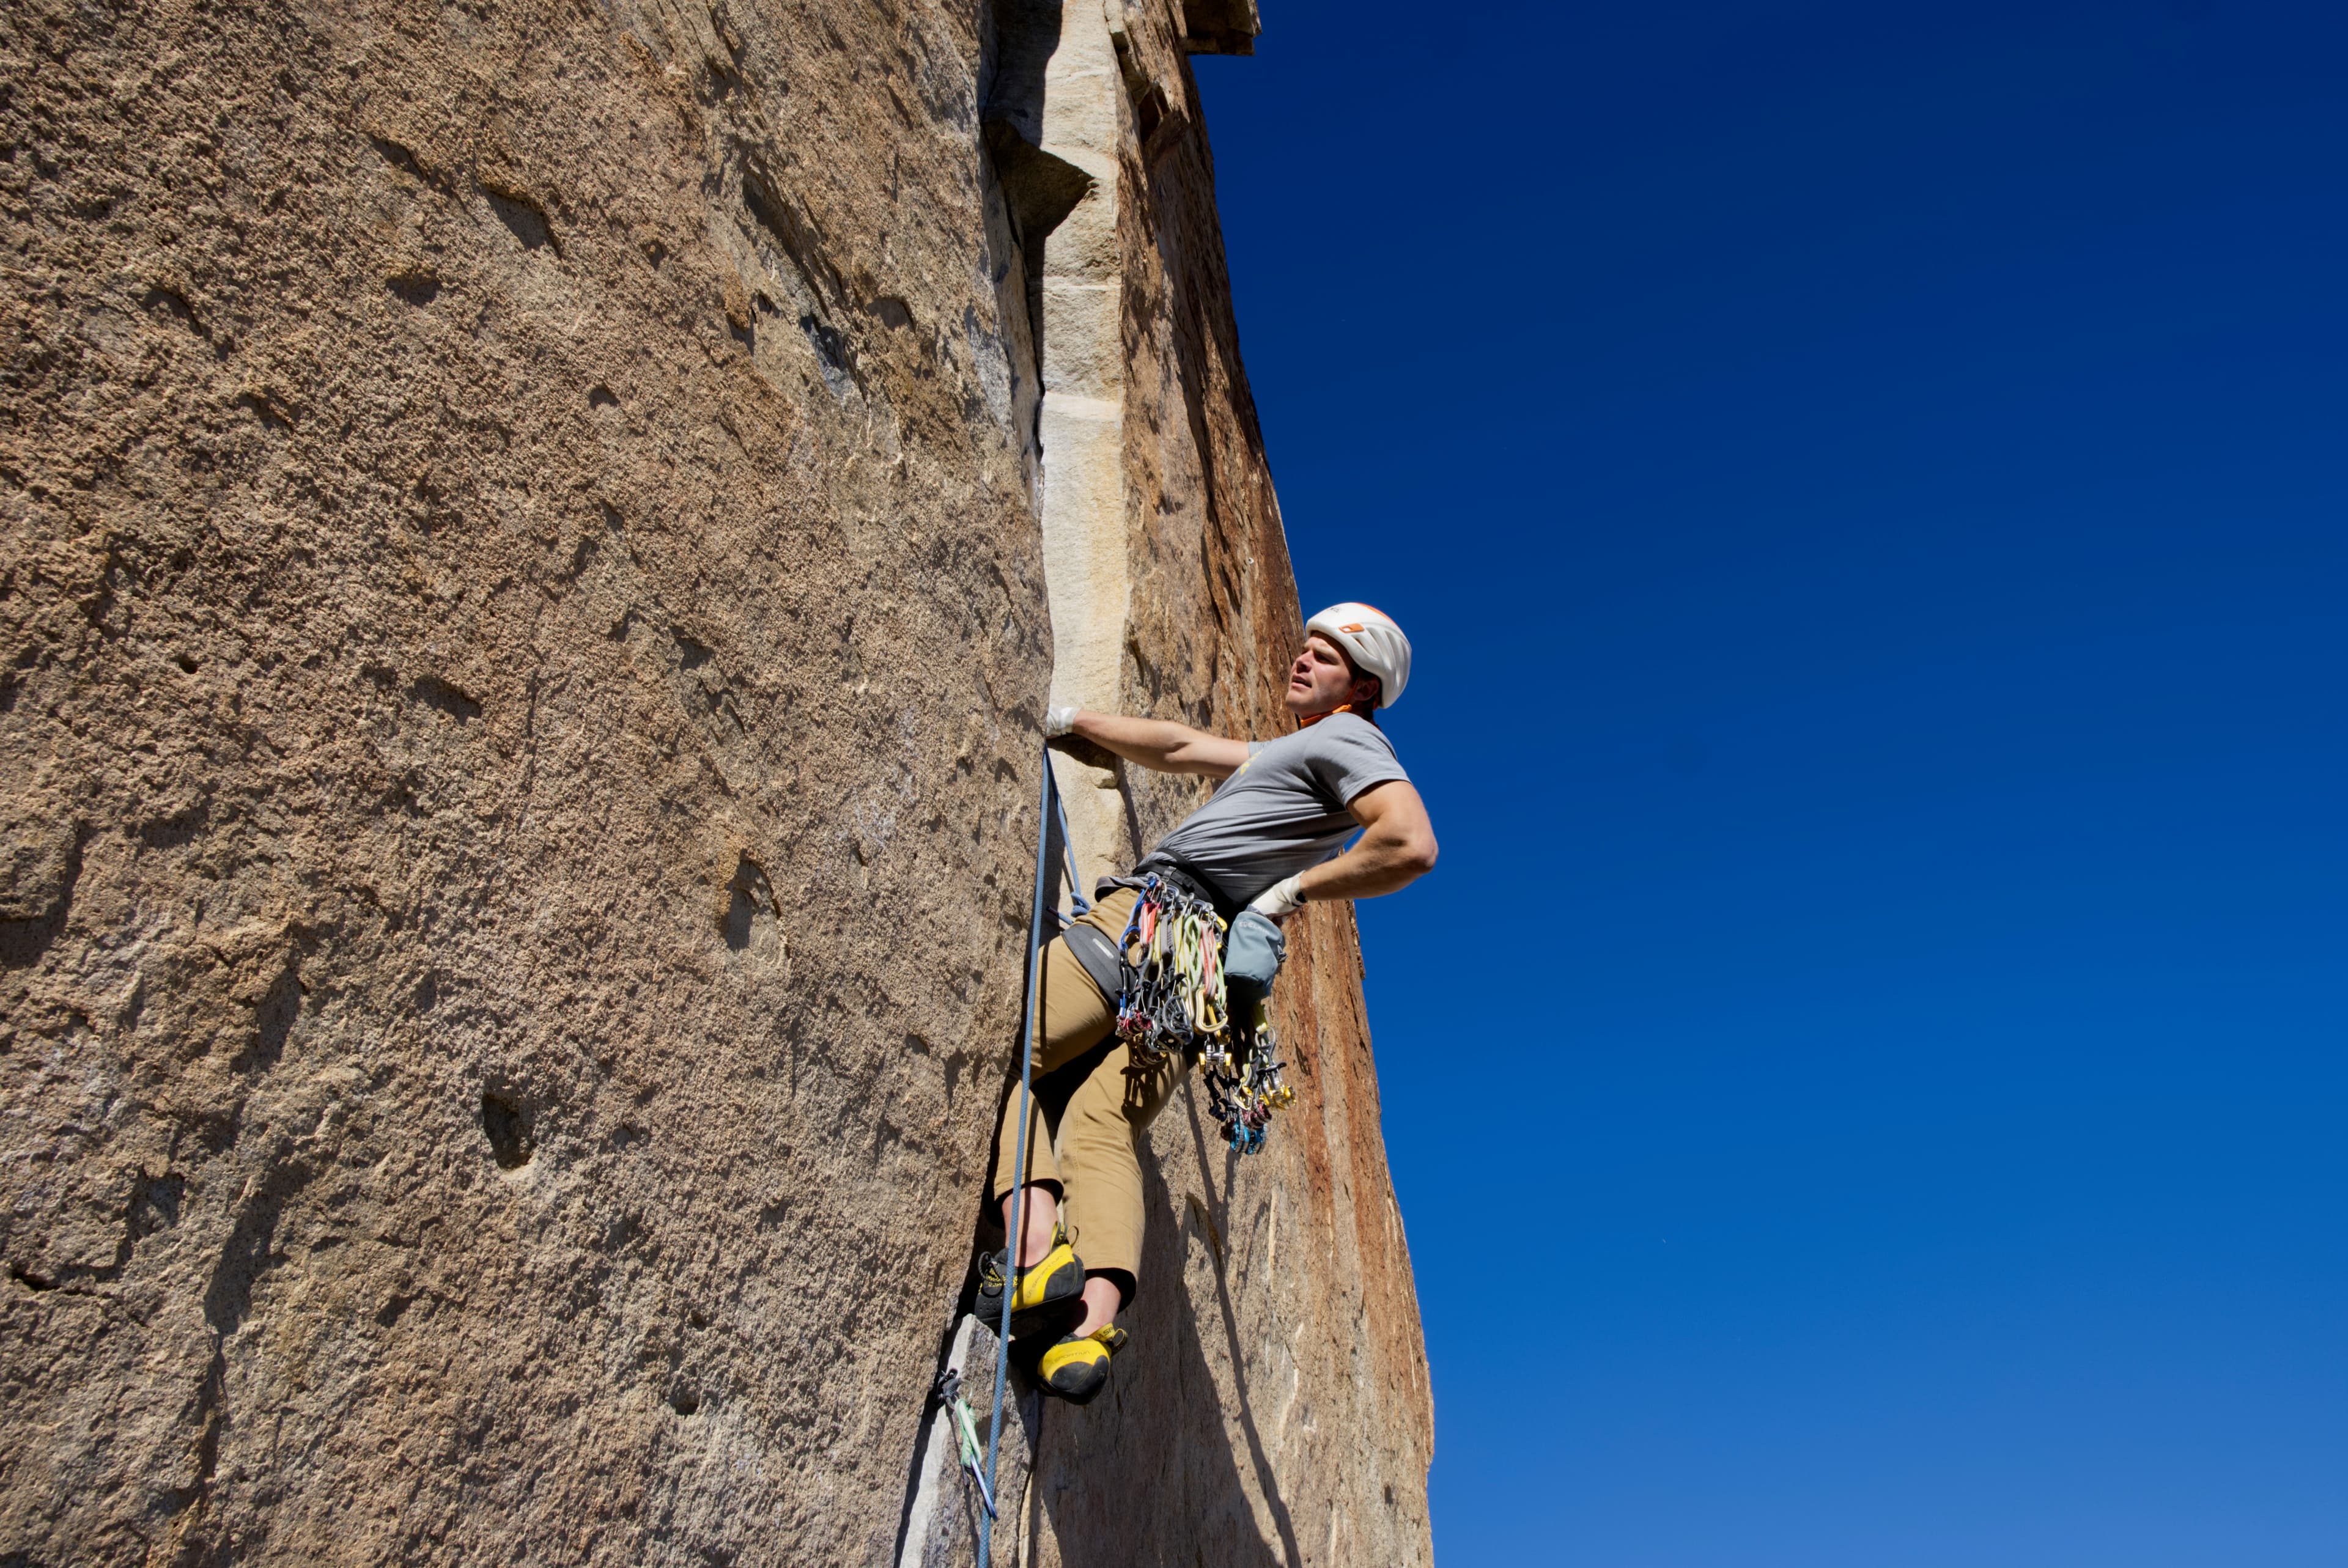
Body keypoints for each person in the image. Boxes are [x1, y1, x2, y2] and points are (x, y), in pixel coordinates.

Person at [976, 603, 1439, 1404]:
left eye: (1325, 657)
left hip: (1153, 919)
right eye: (1305, 645)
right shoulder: (1297, 748)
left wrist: (1287, 893)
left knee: (1016, 1053)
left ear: (1363, 688)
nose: (1302, 659)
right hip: (1200, 965)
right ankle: (1084, 1333)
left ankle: (1032, 1256)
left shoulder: (1350, 740)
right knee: (1102, 1123)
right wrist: (1077, 718)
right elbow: (1185, 747)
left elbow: (1410, 842)